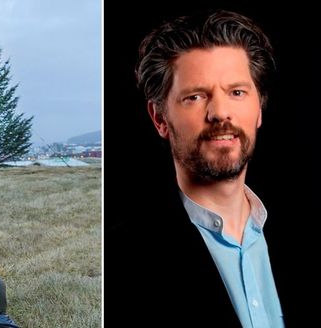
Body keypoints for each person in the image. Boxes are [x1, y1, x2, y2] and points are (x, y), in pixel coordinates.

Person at [105, 10, 286, 326]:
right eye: (195, 96)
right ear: (160, 118)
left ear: (259, 108)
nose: (220, 112)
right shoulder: (120, 259)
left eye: (237, 92)